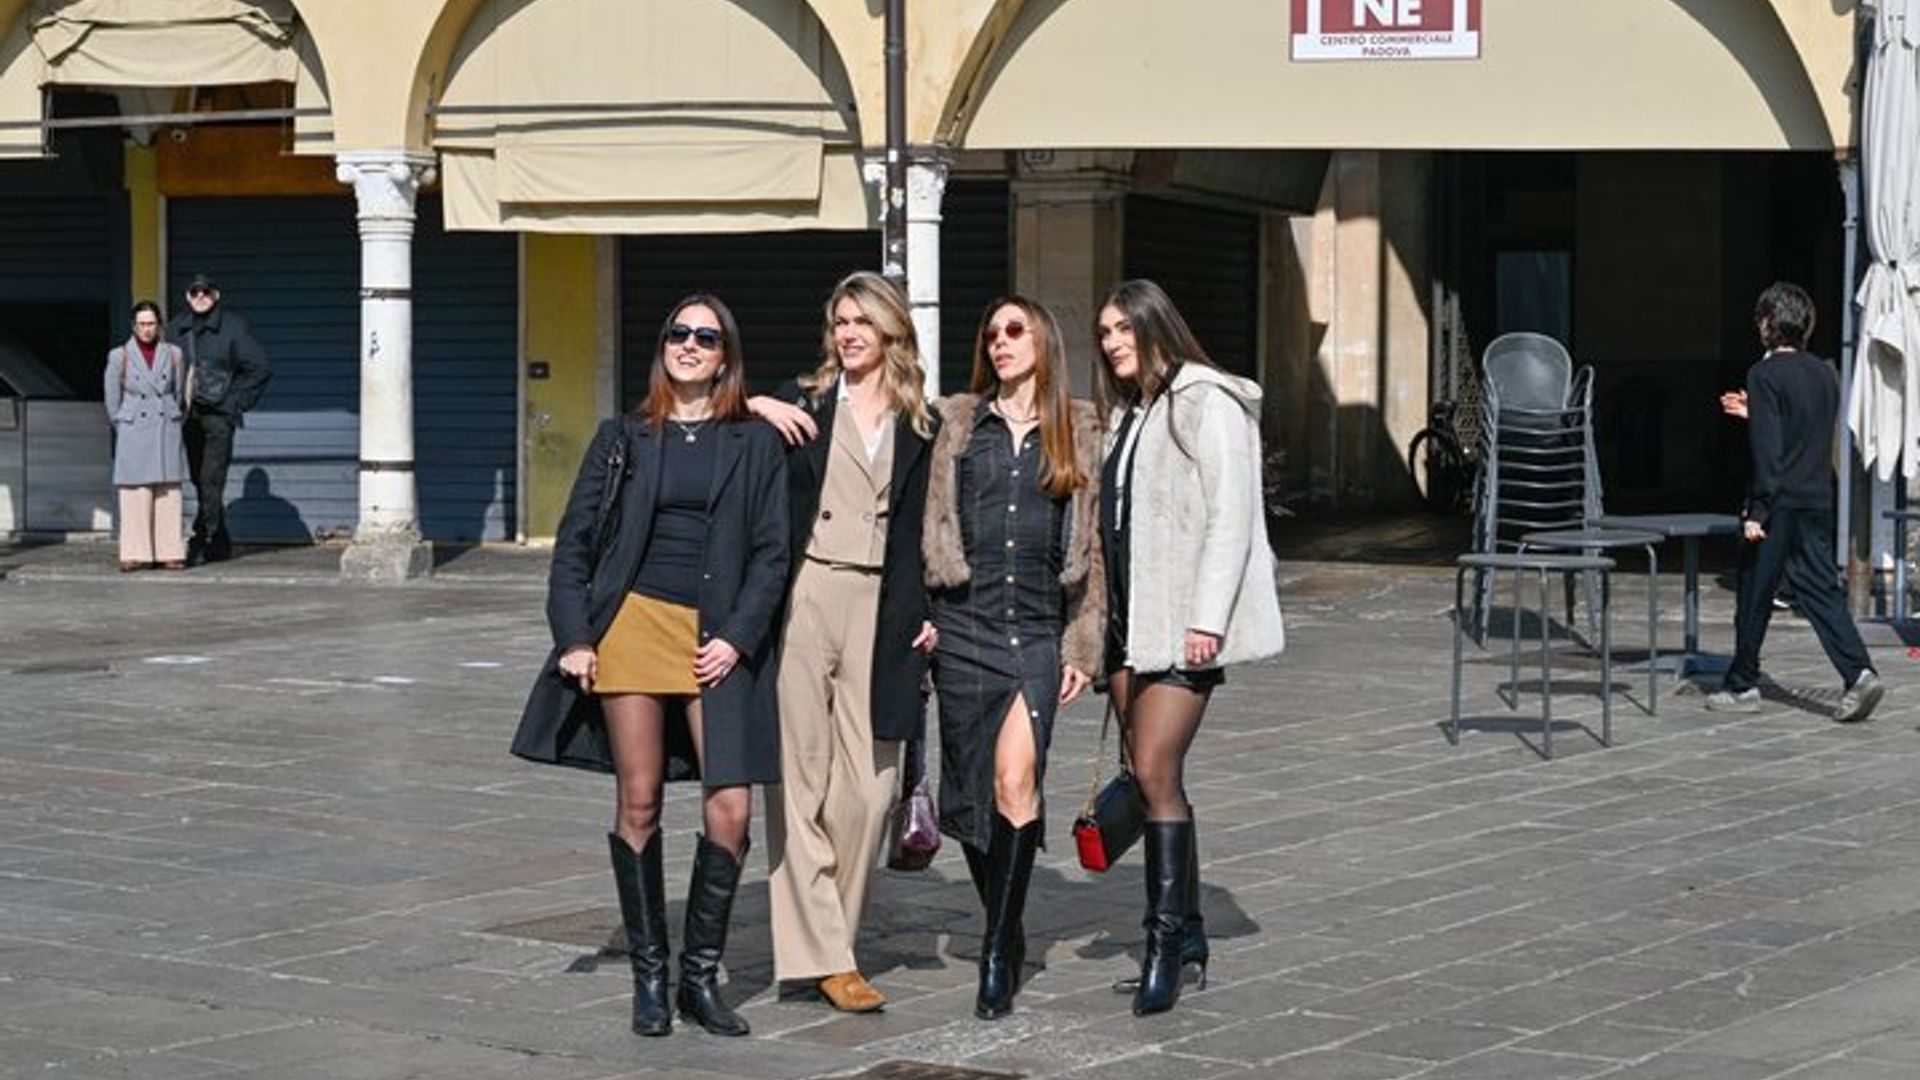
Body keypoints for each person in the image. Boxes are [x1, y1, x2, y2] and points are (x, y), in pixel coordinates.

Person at [511, 295, 790, 1037]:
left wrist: (738, 636)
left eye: (706, 336)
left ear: (725, 355)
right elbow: (573, 546)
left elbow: (772, 553)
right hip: (631, 627)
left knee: (730, 808)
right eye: (678, 333)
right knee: (639, 802)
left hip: (716, 637)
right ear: (662, 346)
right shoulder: (623, 436)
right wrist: (576, 636)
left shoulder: (754, 442)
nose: (689, 345)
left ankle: (700, 978)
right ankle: (650, 978)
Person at [1094, 279, 1285, 1015]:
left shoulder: (1209, 401)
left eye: (1122, 329)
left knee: (1154, 767)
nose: (1111, 342)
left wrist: (1207, 619)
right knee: (1143, 778)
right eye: (1105, 331)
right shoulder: (1132, 413)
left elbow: (1232, 518)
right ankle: (1192, 935)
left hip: (1180, 624)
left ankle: (1164, 945)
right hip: (1126, 625)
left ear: (1154, 326)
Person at [750, 271, 937, 1013]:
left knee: (868, 789)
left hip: (883, 604)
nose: (850, 334)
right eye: (840, 322)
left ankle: (829, 941)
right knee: (799, 776)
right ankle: (829, 956)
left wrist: (926, 610)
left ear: (892, 331)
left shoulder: (923, 422)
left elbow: (927, 528)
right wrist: (754, 403)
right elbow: (707, 411)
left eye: (863, 322)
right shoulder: (804, 404)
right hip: (805, 594)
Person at [922, 297, 1105, 1019]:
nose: (999, 342)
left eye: (1014, 330)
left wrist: (1082, 644)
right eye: (991, 332)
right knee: (968, 801)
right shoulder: (956, 424)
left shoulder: (1083, 428)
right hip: (961, 625)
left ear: (1043, 341)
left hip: (1033, 632)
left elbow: (1094, 551)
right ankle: (1010, 915)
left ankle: (998, 949)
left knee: (1013, 782)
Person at [1707, 282, 1883, 722]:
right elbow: (1804, 428)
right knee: (1821, 590)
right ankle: (1859, 672)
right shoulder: (1824, 372)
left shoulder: (1763, 374)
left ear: (1769, 322)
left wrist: (1758, 511)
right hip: (1817, 495)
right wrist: (1758, 412)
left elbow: (1769, 453)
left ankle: (1742, 682)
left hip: (1779, 500)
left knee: (1753, 590)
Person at [169, 274, 271, 565]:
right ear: (188, 296)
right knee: (199, 480)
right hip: (189, 416)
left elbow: (260, 369)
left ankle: (201, 539)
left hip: (218, 418)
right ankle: (221, 542)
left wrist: (234, 403)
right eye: (194, 292)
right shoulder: (176, 328)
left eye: (206, 291)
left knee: (211, 480)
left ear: (216, 295)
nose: (200, 296)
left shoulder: (233, 327)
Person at [104, 302, 190, 572]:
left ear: (159, 325)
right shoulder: (120, 356)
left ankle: (170, 551)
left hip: (165, 426)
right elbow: (111, 398)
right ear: (133, 326)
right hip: (134, 428)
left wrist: (171, 418)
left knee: (168, 493)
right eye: (141, 324)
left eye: (151, 323)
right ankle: (134, 553)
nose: (146, 329)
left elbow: (178, 393)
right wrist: (124, 425)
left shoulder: (174, 354)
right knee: (135, 492)